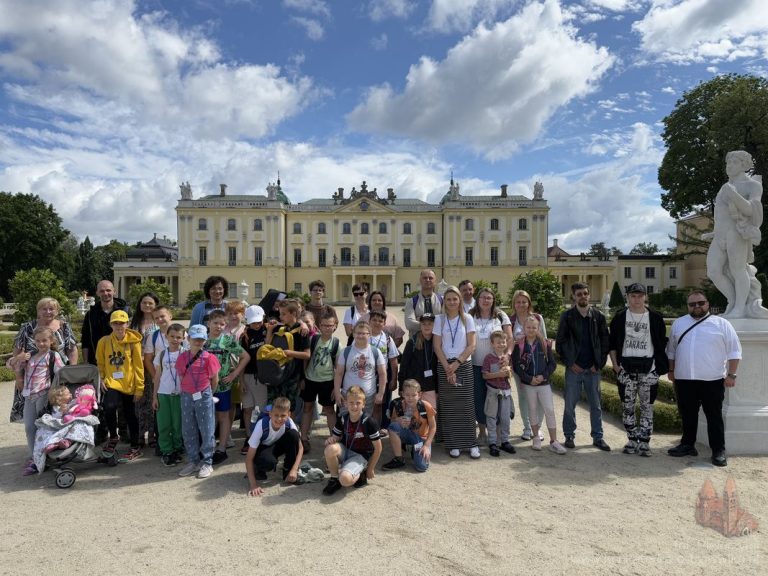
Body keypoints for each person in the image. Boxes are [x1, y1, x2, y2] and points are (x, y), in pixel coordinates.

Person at [666, 290, 741, 467]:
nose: (697, 307)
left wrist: (731, 374)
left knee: (713, 416)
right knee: (687, 414)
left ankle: (718, 450)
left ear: (707, 303)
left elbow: (734, 351)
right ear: (688, 306)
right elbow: (672, 350)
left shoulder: (722, 324)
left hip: (712, 379)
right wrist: (671, 370)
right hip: (684, 378)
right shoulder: (679, 323)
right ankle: (687, 444)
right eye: (692, 304)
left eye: (700, 303)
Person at [704, 150, 768, 319]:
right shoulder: (725, 186)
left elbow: (751, 210)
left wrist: (732, 193)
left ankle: (740, 308)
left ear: (744, 165)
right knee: (713, 271)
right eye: (727, 163)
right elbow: (723, 215)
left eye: (734, 162)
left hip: (737, 234)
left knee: (738, 270)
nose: (729, 166)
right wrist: (713, 233)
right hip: (720, 235)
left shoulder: (752, 185)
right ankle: (733, 301)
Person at [609, 283, 669, 457]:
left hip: (648, 368)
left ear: (645, 297)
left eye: (640, 296)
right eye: (633, 296)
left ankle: (644, 441)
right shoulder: (620, 317)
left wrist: (657, 369)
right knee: (627, 406)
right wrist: (615, 366)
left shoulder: (655, 317)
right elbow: (613, 344)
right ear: (628, 297)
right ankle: (631, 438)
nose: (636, 299)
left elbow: (661, 345)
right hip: (625, 368)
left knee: (647, 407)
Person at [555, 282, 611, 451]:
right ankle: (569, 436)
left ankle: (598, 437)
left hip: (593, 369)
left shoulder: (598, 316)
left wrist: (599, 364)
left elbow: (605, 341)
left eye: (585, 293)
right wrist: (571, 363)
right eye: (579, 294)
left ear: (588, 294)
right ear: (574, 296)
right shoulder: (567, 316)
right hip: (574, 369)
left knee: (596, 405)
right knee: (570, 405)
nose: (583, 296)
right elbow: (560, 343)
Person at [9, 297, 77, 422]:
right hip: (32, 379)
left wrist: (71, 373)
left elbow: (72, 350)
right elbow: (17, 352)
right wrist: (18, 377)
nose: (48, 311)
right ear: (38, 311)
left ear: (57, 311)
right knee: (31, 419)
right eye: (44, 309)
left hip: (57, 377)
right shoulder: (28, 327)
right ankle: (35, 440)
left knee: (56, 414)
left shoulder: (64, 326)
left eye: (51, 309)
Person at [433, 285, 478, 459]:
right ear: (444, 301)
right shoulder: (440, 320)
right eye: (449, 299)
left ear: (459, 300)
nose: (452, 302)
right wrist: (447, 367)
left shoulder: (467, 318)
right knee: (449, 407)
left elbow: (471, 345)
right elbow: (437, 346)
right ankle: (454, 444)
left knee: (466, 405)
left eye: (455, 299)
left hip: (463, 364)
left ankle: (471, 443)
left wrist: (457, 363)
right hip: (444, 364)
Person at [96, 310, 145, 461]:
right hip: (112, 383)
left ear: (127, 324)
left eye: (121, 323)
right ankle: (113, 436)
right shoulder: (104, 341)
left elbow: (138, 366)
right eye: (115, 323)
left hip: (129, 384)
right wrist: (102, 379)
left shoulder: (133, 342)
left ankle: (135, 446)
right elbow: (101, 363)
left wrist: (139, 388)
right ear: (110, 324)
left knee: (130, 414)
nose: (119, 326)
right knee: (109, 407)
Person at [513, 317, 565, 454]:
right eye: (528, 327)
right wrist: (529, 378)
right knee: (532, 410)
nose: (531, 330)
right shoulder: (519, 345)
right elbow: (517, 366)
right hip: (529, 384)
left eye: (534, 327)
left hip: (544, 383)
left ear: (538, 328)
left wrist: (544, 376)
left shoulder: (545, 343)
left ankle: (554, 441)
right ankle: (536, 437)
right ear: (524, 328)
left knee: (549, 410)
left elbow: (552, 364)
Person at [176, 324, 221, 479]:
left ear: (205, 340)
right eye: (195, 338)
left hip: (204, 394)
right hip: (187, 395)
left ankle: (207, 462)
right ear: (188, 339)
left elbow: (214, 379)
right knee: (188, 428)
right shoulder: (182, 357)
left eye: (201, 339)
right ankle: (193, 460)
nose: (198, 341)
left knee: (206, 429)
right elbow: (181, 377)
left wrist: (208, 394)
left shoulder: (210, 357)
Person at [18, 327, 65, 475]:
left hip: (44, 394)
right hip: (29, 395)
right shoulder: (30, 355)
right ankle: (34, 456)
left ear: (51, 341)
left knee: (43, 427)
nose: (41, 343)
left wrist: (57, 393)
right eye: (38, 341)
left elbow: (62, 373)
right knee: (29, 427)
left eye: (44, 340)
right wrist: (18, 359)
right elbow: (11, 365)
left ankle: (45, 455)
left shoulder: (53, 355)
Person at [469, 287, 513, 445]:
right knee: (480, 399)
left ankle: (500, 433)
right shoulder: (470, 315)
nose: (485, 300)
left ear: (493, 300)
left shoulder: (500, 316)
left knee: (499, 398)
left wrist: (507, 356)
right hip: (475, 365)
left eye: (489, 298)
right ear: (477, 299)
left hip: (497, 365)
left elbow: (510, 339)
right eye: (482, 297)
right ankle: (482, 432)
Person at [205, 309, 249, 465]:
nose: (218, 326)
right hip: (204, 387)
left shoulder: (228, 340)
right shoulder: (202, 340)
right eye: (215, 323)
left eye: (222, 324)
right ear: (208, 323)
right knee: (207, 417)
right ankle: (207, 447)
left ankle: (221, 448)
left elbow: (245, 356)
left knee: (223, 417)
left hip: (223, 386)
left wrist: (234, 374)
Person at [322, 386, 382, 495]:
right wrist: (331, 439)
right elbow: (336, 436)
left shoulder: (369, 422)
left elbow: (378, 448)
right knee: (330, 449)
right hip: (346, 450)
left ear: (364, 404)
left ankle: (360, 473)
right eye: (351, 403)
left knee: (345, 480)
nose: (354, 406)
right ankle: (334, 479)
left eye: (358, 403)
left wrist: (371, 468)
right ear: (345, 403)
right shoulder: (343, 418)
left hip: (360, 456)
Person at [245, 397, 304, 496]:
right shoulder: (261, 425)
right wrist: (253, 485)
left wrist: (294, 469)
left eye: (283, 415)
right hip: (262, 448)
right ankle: (258, 469)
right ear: (270, 414)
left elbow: (300, 448)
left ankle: (288, 472)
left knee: (294, 435)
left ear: (288, 415)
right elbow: (248, 458)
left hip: (276, 445)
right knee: (268, 462)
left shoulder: (289, 422)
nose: (279, 419)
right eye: (276, 415)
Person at [508, 289, 545, 441]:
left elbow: (544, 341)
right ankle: (527, 427)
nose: (521, 304)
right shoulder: (510, 320)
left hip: (536, 363)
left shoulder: (537, 318)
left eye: (524, 301)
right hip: (519, 365)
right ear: (514, 304)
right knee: (523, 396)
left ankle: (539, 428)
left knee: (539, 396)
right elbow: (507, 343)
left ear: (529, 303)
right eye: (518, 302)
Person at [300, 312, 340, 452]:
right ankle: (304, 438)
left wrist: (336, 388)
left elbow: (338, 369)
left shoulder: (336, 344)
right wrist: (303, 378)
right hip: (310, 379)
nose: (327, 328)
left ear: (335, 326)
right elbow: (305, 360)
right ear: (319, 326)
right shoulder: (313, 340)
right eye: (324, 325)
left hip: (327, 381)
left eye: (330, 325)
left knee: (329, 410)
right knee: (307, 407)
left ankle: (333, 438)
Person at [333, 320, 387, 417]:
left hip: (368, 396)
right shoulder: (346, 351)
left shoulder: (376, 352)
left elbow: (382, 374)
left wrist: (380, 393)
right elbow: (339, 373)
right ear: (353, 334)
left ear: (369, 334)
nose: (361, 336)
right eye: (358, 333)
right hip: (347, 395)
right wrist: (337, 392)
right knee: (345, 422)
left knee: (364, 424)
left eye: (364, 333)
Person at [265, 299, 311, 410]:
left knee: (289, 406)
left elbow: (307, 354)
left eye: (283, 314)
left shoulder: (302, 331)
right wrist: (270, 330)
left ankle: (288, 426)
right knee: (273, 403)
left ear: (294, 313)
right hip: (276, 372)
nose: (280, 317)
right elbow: (267, 345)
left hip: (292, 375)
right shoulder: (280, 328)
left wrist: (289, 353)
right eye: (280, 313)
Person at [382, 379, 437, 472]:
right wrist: (398, 420)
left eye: (413, 395)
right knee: (393, 427)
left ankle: (412, 449)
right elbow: (392, 422)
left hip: (421, 438)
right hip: (407, 434)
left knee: (421, 467)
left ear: (419, 395)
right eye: (407, 395)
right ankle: (399, 459)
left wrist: (427, 445)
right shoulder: (399, 405)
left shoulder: (425, 406)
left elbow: (433, 427)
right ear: (403, 394)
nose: (410, 398)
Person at [152, 323, 186, 467]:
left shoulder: (185, 353)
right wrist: (154, 397)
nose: (175, 339)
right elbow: (157, 376)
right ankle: (166, 451)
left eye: (178, 337)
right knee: (164, 424)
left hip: (180, 395)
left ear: (184, 338)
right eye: (172, 336)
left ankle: (177, 449)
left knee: (178, 425)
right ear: (166, 336)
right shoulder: (161, 354)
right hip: (163, 394)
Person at [130, 291, 159, 449]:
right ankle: (140, 434)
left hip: (154, 366)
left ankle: (153, 434)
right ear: (139, 305)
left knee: (153, 400)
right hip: (137, 367)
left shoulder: (159, 322)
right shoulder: (133, 323)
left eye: (150, 303)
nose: (147, 305)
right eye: (144, 303)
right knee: (139, 400)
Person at [481, 331, 516, 457]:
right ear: (492, 344)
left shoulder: (507, 358)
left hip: (505, 392)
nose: (501, 344)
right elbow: (485, 375)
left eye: (503, 342)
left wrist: (508, 371)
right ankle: (492, 443)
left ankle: (504, 441)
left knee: (505, 418)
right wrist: (498, 374)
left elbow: (510, 374)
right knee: (491, 417)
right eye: (498, 342)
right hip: (493, 391)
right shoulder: (489, 358)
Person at [239, 305, 267, 455]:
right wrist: (241, 380)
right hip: (248, 376)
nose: (256, 324)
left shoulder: (267, 329)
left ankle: (261, 437)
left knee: (261, 409)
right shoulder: (244, 335)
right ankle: (249, 437)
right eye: (253, 322)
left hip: (261, 377)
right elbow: (241, 359)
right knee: (248, 408)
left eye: (258, 321)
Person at [81, 280, 130, 366]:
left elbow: (131, 335)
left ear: (114, 291)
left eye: (108, 290)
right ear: (97, 293)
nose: (105, 293)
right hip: (96, 361)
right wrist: (85, 362)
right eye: (102, 291)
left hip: (121, 360)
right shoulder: (90, 315)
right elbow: (86, 339)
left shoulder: (125, 311)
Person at [398, 313, 438, 409]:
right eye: (424, 324)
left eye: (430, 324)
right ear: (420, 325)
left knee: (431, 415)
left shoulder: (437, 341)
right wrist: (401, 387)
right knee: (413, 417)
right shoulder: (413, 342)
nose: (427, 326)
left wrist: (438, 389)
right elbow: (404, 366)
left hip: (430, 387)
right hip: (413, 389)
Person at [368, 310, 399, 431]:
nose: (377, 323)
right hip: (366, 375)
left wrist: (394, 379)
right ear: (369, 321)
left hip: (382, 376)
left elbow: (393, 361)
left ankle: (377, 428)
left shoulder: (387, 339)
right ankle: (365, 428)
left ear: (384, 323)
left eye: (380, 321)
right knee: (367, 404)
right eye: (374, 320)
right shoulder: (363, 336)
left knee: (379, 404)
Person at [404, 269, 443, 337]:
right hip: (417, 343)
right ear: (420, 280)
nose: (427, 280)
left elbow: (445, 322)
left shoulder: (442, 300)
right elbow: (409, 324)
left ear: (435, 281)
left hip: (437, 342)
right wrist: (435, 324)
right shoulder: (411, 301)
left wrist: (421, 321)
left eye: (430, 278)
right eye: (425, 278)